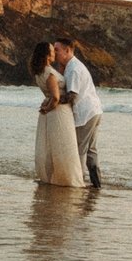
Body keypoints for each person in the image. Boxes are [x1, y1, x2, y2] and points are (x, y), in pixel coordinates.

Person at [29, 41, 86, 188]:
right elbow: (55, 97)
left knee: (53, 147)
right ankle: (68, 180)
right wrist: (49, 108)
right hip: (59, 113)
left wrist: (45, 108)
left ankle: (53, 177)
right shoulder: (50, 73)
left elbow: (50, 96)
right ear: (47, 55)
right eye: (52, 51)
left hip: (49, 112)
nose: (54, 53)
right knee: (65, 147)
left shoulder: (40, 73)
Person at [51, 35, 103, 188]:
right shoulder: (71, 66)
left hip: (85, 114)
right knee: (91, 151)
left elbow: (71, 96)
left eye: (57, 50)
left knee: (79, 149)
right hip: (94, 111)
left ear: (67, 51)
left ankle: (78, 183)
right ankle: (97, 185)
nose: (54, 53)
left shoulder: (73, 70)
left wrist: (53, 103)